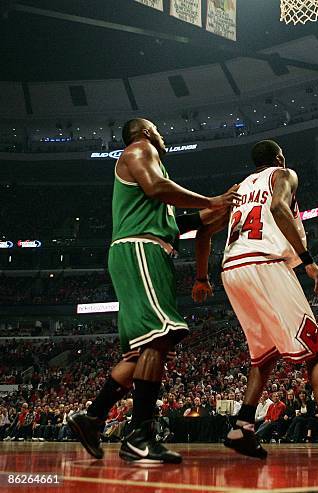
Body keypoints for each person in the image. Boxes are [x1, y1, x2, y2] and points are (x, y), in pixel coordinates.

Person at [67, 118, 239, 463]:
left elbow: (183, 222)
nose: (162, 132)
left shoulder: (154, 192)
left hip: (149, 251)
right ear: (144, 132)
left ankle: (92, 418)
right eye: (156, 128)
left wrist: (218, 210)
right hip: (140, 249)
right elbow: (159, 187)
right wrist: (213, 197)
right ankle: (139, 435)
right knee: (160, 338)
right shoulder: (140, 150)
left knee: (138, 353)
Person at [221, 140, 318, 461]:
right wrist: (308, 260)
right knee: (313, 351)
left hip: (231, 268)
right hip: (265, 262)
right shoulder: (283, 174)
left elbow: (210, 221)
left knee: (263, 356)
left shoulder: (238, 187)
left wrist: (199, 274)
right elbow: (279, 207)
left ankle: (242, 427)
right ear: (279, 158)